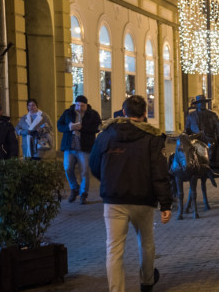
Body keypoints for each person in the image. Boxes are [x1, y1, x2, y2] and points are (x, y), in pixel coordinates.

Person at [88, 95, 172, 292]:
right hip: (143, 199)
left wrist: (109, 180)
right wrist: (165, 204)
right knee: (146, 242)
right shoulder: (153, 137)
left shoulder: (107, 134)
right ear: (145, 114)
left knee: (114, 249)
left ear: (124, 112)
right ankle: (147, 282)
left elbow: (94, 164)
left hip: (114, 200)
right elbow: (159, 172)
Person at [57, 95, 102, 204]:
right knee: (67, 168)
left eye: (82, 106)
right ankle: (74, 187)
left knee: (84, 172)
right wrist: (69, 127)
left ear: (86, 106)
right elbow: (59, 125)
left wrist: (83, 128)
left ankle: (83, 194)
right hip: (69, 146)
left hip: (84, 147)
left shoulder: (93, 114)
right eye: (78, 105)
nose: (79, 107)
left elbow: (98, 127)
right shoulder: (68, 112)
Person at [185, 95, 219, 167]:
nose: (203, 104)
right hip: (195, 140)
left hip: (209, 139)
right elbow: (187, 129)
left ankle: (208, 165)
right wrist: (186, 136)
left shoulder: (212, 114)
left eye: (204, 102)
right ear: (197, 104)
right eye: (200, 102)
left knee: (210, 149)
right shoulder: (191, 116)